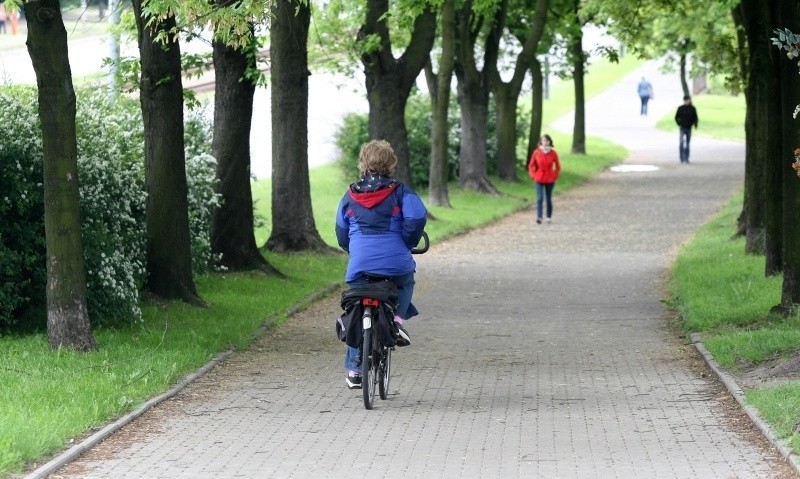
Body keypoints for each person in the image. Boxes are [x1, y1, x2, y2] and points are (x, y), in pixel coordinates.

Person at [335, 139, 427, 389]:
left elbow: (341, 229)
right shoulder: (400, 191)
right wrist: (408, 239)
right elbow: (417, 216)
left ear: (363, 163)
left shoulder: (350, 194)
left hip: (359, 266)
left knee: (355, 309)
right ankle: (396, 323)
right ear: (391, 163)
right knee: (406, 282)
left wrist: (350, 248)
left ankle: (355, 371)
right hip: (396, 264)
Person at [527, 134, 561, 225]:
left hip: (550, 178)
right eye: (543, 140)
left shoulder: (553, 153)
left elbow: (558, 167)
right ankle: (539, 217)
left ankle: (548, 216)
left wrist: (555, 176)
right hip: (539, 177)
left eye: (547, 140)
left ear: (550, 142)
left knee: (548, 198)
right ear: (541, 142)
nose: (545, 142)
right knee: (540, 198)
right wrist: (533, 175)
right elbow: (531, 165)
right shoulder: (537, 152)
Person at [674, 95, 699, 163]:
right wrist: (679, 123)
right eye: (685, 100)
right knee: (681, 142)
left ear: (689, 100)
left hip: (689, 127)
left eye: (687, 100)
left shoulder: (692, 108)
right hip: (682, 127)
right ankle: (682, 157)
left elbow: (695, 117)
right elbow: (676, 117)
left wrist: (695, 124)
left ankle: (686, 158)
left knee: (687, 143)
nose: (686, 102)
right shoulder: (680, 108)